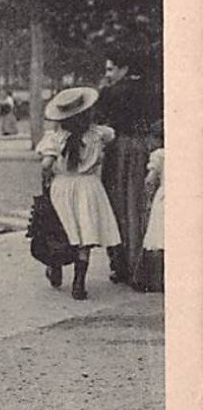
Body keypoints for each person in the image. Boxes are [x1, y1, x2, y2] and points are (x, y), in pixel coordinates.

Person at [36, 86, 121, 301]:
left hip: (63, 187)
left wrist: (48, 170)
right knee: (85, 233)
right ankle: (79, 283)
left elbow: (46, 164)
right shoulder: (99, 134)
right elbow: (112, 136)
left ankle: (55, 266)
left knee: (62, 228)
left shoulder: (54, 138)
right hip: (89, 187)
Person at [96, 49, 160, 288]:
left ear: (124, 69)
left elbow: (100, 122)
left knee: (118, 206)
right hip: (145, 149)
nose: (109, 74)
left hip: (119, 151)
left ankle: (121, 265)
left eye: (111, 69)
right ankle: (142, 267)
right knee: (140, 207)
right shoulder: (151, 90)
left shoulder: (110, 92)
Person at [137, 124, 165, 292]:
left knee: (159, 238)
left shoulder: (160, 155)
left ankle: (157, 280)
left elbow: (149, 180)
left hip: (165, 197)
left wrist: (147, 196)